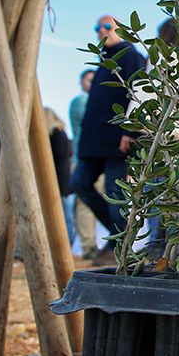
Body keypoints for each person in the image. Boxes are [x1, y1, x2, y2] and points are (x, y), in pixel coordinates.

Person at [72, 16, 147, 266]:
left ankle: (118, 247)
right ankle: (118, 238)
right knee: (80, 183)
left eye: (107, 27)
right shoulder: (104, 60)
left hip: (118, 141)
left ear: (121, 31)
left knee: (115, 194)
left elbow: (140, 94)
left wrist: (131, 131)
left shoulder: (130, 56)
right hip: (94, 143)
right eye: (97, 28)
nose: (101, 32)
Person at [69, 69, 98, 258]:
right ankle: (89, 246)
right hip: (83, 157)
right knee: (84, 203)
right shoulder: (81, 102)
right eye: (88, 81)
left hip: (94, 157)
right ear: (81, 83)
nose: (92, 84)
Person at [43, 107, 73, 240]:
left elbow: (57, 161)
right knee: (64, 215)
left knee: (63, 216)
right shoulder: (61, 133)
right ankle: (67, 243)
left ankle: (67, 243)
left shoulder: (55, 135)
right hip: (63, 181)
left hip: (58, 182)